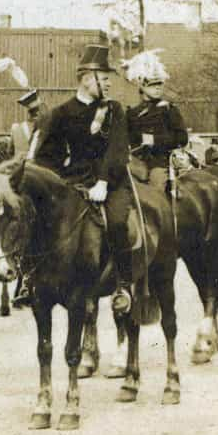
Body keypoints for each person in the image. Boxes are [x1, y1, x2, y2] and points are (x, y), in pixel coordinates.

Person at [27, 44, 136, 314]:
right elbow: (47, 156)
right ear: (87, 78)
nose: (109, 82)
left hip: (111, 182)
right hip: (73, 182)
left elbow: (117, 150)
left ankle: (123, 285)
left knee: (118, 223)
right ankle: (28, 279)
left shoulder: (114, 111)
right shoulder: (61, 114)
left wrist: (103, 182)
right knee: (38, 220)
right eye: (104, 77)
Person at [124, 49, 189, 195]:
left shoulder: (168, 110)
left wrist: (153, 140)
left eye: (160, 84)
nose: (158, 87)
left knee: (155, 191)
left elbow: (182, 138)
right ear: (141, 86)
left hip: (159, 162)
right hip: (135, 161)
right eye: (153, 85)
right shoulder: (131, 113)